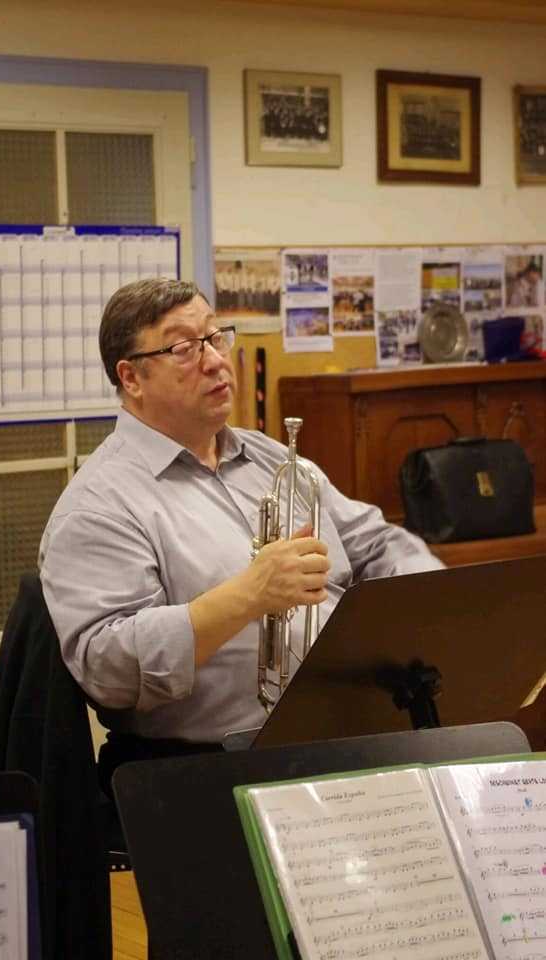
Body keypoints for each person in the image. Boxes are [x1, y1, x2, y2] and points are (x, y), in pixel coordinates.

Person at [39, 278, 443, 758]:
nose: (214, 360)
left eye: (215, 337)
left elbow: (377, 543)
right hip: (210, 765)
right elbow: (109, 670)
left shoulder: (272, 458)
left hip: (354, 731)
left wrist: (437, 605)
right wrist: (249, 595)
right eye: (184, 348)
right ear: (131, 379)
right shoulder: (98, 505)